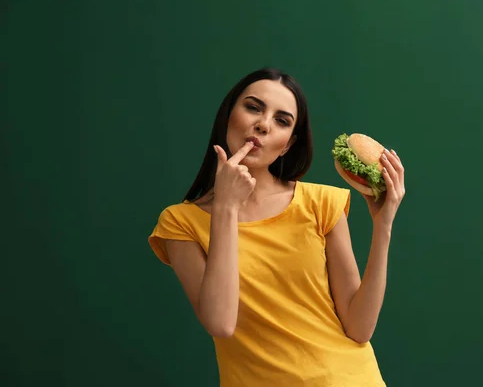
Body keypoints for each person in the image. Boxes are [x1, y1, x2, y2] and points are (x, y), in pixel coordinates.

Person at [148, 67, 405, 386]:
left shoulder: (321, 203)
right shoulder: (180, 223)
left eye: (282, 120)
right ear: (229, 115)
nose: (263, 124)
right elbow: (221, 323)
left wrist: (383, 226)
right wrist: (226, 207)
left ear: (287, 145)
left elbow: (359, 328)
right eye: (253, 107)